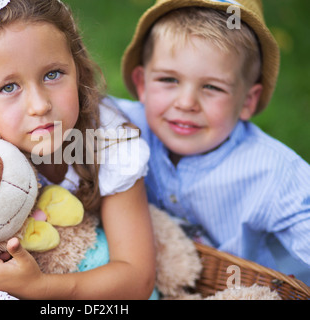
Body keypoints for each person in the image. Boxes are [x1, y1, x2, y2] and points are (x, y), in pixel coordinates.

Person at [0, 0, 156, 299]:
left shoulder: (108, 139)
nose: (40, 105)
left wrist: (39, 288)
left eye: (53, 74)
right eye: (9, 87)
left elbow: (137, 278)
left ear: (76, 68)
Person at [114, 0, 310, 284]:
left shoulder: (276, 172)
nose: (186, 103)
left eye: (212, 87)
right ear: (142, 83)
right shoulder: (121, 127)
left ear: (247, 101)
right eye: (169, 79)